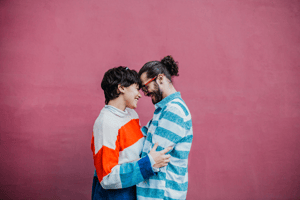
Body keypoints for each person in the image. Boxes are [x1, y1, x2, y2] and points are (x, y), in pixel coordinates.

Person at [91, 66, 172, 200]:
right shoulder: (105, 123)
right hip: (114, 196)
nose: (140, 94)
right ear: (121, 88)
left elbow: (136, 146)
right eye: (136, 88)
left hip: (132, 192)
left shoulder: (131, 114)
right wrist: (149, 163)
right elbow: (107, 177)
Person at [136, 56, 193, 200]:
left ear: (160, 78)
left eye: (145, 87)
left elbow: (153, 156)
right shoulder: (163, 110)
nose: (145, 93)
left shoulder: (174, 111)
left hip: (162, 195)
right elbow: (140, 137)